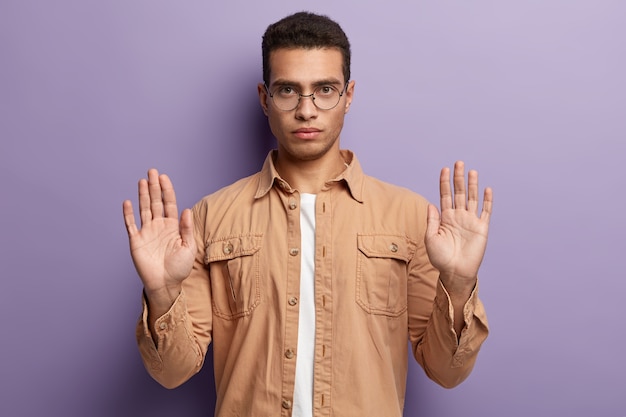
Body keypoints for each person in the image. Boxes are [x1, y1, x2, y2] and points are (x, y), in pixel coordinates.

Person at [123, 11, 492, 417]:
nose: (306, 109)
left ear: (348, 95)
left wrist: (458, 285)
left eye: (325, 89)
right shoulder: (210, 218)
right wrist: (161, 294)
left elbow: (447, 371)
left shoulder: (410, 218)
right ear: (265, 98)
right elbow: (172, 373)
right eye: (288, 91)